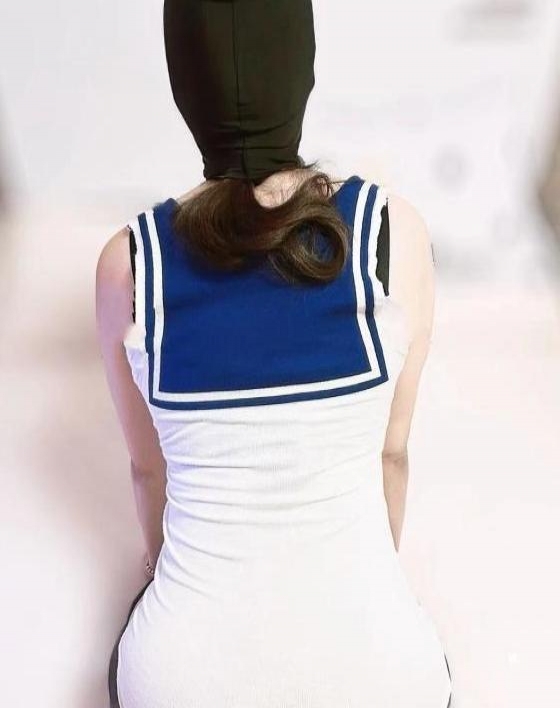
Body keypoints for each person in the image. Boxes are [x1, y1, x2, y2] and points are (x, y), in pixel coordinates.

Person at [95, 1, 453, 706]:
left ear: (183, 85)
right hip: (383, 679)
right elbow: (391, 456)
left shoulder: (131, 261)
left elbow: (148, 471)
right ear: (304, 70)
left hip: (180, 682)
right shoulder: (391, 232)